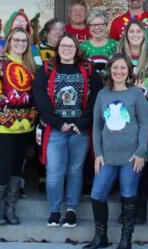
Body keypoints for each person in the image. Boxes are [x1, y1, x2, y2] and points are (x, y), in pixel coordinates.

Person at [83, 54, 148, 249]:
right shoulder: (103, 94)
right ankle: (100, 237)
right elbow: (96, 125)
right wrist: (98, 153)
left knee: (128, 194)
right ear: (109, 70)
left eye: (123, 68)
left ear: (129, 71)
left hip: (131, 156)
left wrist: (141, 152)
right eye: (115, 68)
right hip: (107, 156)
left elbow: (145, 123)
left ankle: (125, 240)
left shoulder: (136, 94)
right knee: (97, 194)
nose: (119, 72)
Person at [34, 34, 102, 227]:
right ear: (58, 48)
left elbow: (97, 97)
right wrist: (57, 122)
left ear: (76, 48)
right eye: (63, 45)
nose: (66, 48)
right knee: (54, 172)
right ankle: (55, 210)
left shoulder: (88, 68)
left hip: (79, 130)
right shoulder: (46, 69)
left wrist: (81, 122)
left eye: (71, 46)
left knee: (75, 171)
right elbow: (40, 98)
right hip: (55, 129)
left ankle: (71, 209)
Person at [0, 27, 38, 226]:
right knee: (5, 168)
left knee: (17, 169)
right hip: (2, 125)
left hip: (25, 126)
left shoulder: (30, 65)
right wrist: (10, 121)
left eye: (24, 41)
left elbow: (35, 96)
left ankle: (9, 208)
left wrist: (28, 120)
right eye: (16, 40)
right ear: (9, 41)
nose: (20, 44)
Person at [116, 19, 148, 224]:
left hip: (145, 116)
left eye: (138, 31)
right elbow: (108, 82)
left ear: (144, 35)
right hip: (122, 117)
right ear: (126, 35)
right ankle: (126, 209)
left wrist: (145, 90)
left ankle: (141, 209)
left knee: (141, 162)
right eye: (131, 31)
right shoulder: (118, 57)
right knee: (122, 162)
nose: (135, 34)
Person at [81, 9, 117, 77]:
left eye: (101, 24)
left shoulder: (116, 45)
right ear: (89, 27)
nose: (97, 27)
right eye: (93, 25)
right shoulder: (82, 47)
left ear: (106, 25)